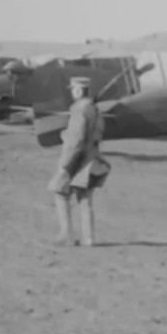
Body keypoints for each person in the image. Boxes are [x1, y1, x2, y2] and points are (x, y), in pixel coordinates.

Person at [47, 76, 111, 246]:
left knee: (60, 192)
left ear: (77, 90)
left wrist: (65, 165)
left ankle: (66, 234)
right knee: (85, 199)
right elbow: (94, 135)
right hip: (93, 158)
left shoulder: (79, 110)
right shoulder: (95, 109)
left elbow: (76, 140)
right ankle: (89, 239)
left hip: (78, 159)